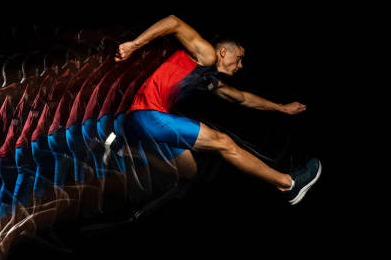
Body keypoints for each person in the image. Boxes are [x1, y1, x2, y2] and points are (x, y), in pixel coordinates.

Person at [115, 15, 321, 205]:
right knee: (224, 143)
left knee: (188, 169)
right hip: (145, 115)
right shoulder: (206, 54)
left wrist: (281, 108)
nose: (240, 65)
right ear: (223, 52)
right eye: (239, 57)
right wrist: (134, 45)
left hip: (140, 124)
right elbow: (173, 22)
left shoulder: (209, 79)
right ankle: (288, 184)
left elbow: (242, 98)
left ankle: (123, 148)